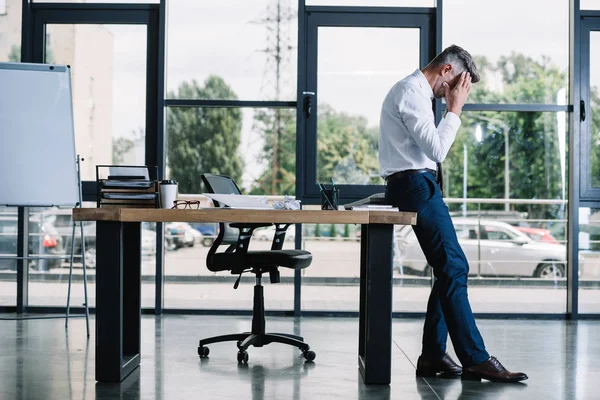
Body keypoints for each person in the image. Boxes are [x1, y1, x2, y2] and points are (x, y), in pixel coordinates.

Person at [379, 45, 528, 383]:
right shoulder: (410, 92)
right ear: (446, 71)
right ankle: (475, 358)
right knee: (455, 267)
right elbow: (437, 149)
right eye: (457, 84)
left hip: (419, 183)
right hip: (415, 185)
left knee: (450, 269)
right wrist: (455, 109)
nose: (454, 93)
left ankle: (433, 355)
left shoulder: (413, 92)